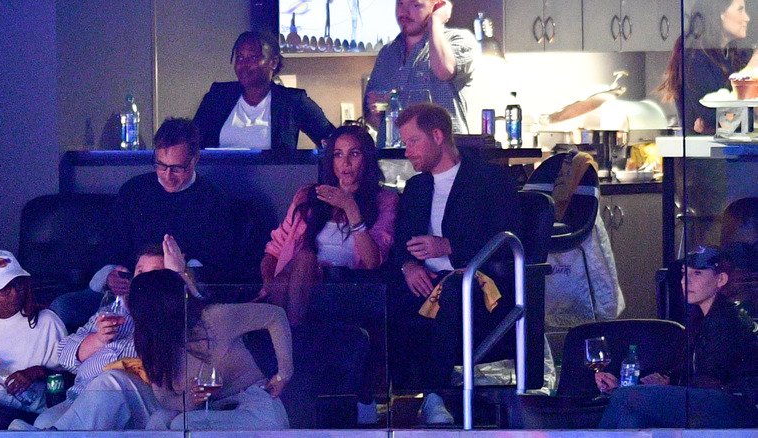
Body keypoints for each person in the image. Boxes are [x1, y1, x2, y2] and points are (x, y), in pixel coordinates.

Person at [390, 103, 521, 425]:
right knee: (385, 291)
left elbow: (510, 237)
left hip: (479, 282)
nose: (407, 152)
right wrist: (410, 266)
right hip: (429, 278)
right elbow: (400, 242)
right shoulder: (416, 187)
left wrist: (449, 246)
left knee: (453, 293)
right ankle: (384, 397)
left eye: (413, 142)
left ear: (437, 136)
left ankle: (434, 395)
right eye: (405, 143)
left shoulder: (490, 179)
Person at [49, 118, 235, 330]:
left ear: (194, 160)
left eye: (177, 169)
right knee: (62, 308)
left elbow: (216, 268)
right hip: (126, 292)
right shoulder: (134, 191)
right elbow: (110, 245)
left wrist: (180, 274)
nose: (167, 176)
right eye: (161, 165)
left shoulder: (213, 201)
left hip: (175, 297)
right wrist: (111, 275)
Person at [15, 238, 189, 431]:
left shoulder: (174, 312)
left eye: (154, 273)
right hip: (80, 398)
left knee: (110, 380)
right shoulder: (114, 310)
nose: (144, 280)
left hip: (138, 400)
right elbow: (63, 355)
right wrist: (97, 340)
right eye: (140, 272)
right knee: (43, 422)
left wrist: (178, 279)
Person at [598, 246, 758, 429]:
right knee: (634, 417)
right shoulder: (700, 320)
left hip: (736, 407)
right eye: (684, 274)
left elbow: (712, 377)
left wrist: (668, 384)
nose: (686, 282)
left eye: (697, 274)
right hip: (715, 402)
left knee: (625, 397)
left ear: (720, 279)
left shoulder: (726, 320)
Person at [260, 124, 398, 327]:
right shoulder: (308, 195)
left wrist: (350, 208)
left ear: (366, 158)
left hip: (348, 291)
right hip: (298, 284)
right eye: (338, 155)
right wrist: (269, 285)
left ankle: (288, 338)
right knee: (303, 260)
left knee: (305, 258)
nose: (346, 163)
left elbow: (372, 261)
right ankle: (292, 335)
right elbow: (273, 251)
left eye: (355, 154)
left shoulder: (385, 200)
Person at [129, 269, 292, 430]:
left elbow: (275, 316)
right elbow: (165, 399)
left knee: (184, 424)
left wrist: (283, 374)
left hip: (254, 407)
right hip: (209, 411)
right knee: (158, 422)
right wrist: (193, 399)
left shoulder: (212, 318)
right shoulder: (154, 345)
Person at [193, 31, 335, 150]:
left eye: (253, 57)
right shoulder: (217, 96)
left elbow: (332, 140)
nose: (244, 64)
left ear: (273, 62)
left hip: (275, 182)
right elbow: (190, 142)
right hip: (217, 182)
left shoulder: (293, 101)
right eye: (240, 57)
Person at [363, 0, 477, 146]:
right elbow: (375, 116)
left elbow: (444, 70)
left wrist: (435, 23)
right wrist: (381, 106)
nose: (404, 12)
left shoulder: (457, 41)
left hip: (440, 159)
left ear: (437, 6)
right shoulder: (387, 53)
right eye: (400, 4)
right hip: (394, 162)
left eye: (415, 5)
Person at [0, 251, 67, 429]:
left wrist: (39, 372)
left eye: (18, 284)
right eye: (4, 289)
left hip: (33, 419)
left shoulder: (47, 322)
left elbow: (75, 380)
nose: (15, 293)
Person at [657, 0, 758, 134]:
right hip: (703, 151)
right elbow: (724, 121)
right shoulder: (695, 56)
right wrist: (750, 72)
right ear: (720, 13)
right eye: (740, 10)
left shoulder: (732, 55)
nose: (747, 18)